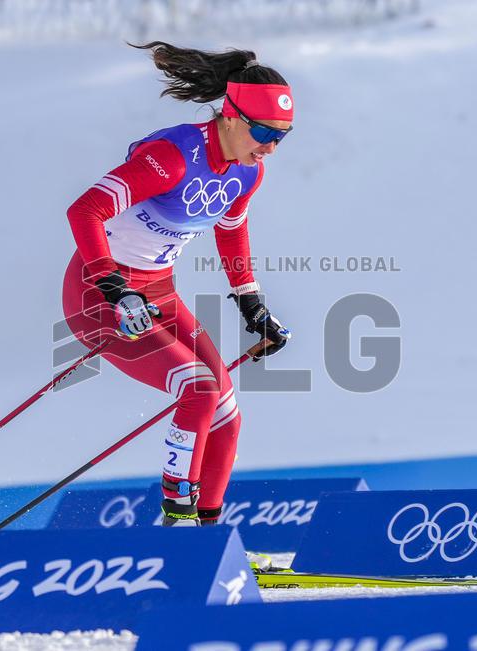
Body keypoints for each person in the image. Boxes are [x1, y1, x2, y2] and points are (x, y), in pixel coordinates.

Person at [62, 42, 293, 526]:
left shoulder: (248, 173)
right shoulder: (173, 156)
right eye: (262, 131)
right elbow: (85, 210)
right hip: (97, 293)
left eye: (282, 136)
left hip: (157, 292)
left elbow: (232, 234)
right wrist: (112, 286)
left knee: (227, 416)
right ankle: (176, 523)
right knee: (199, 390)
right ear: (231, 116)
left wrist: (252, 305)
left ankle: (207, 535)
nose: (270, 146)